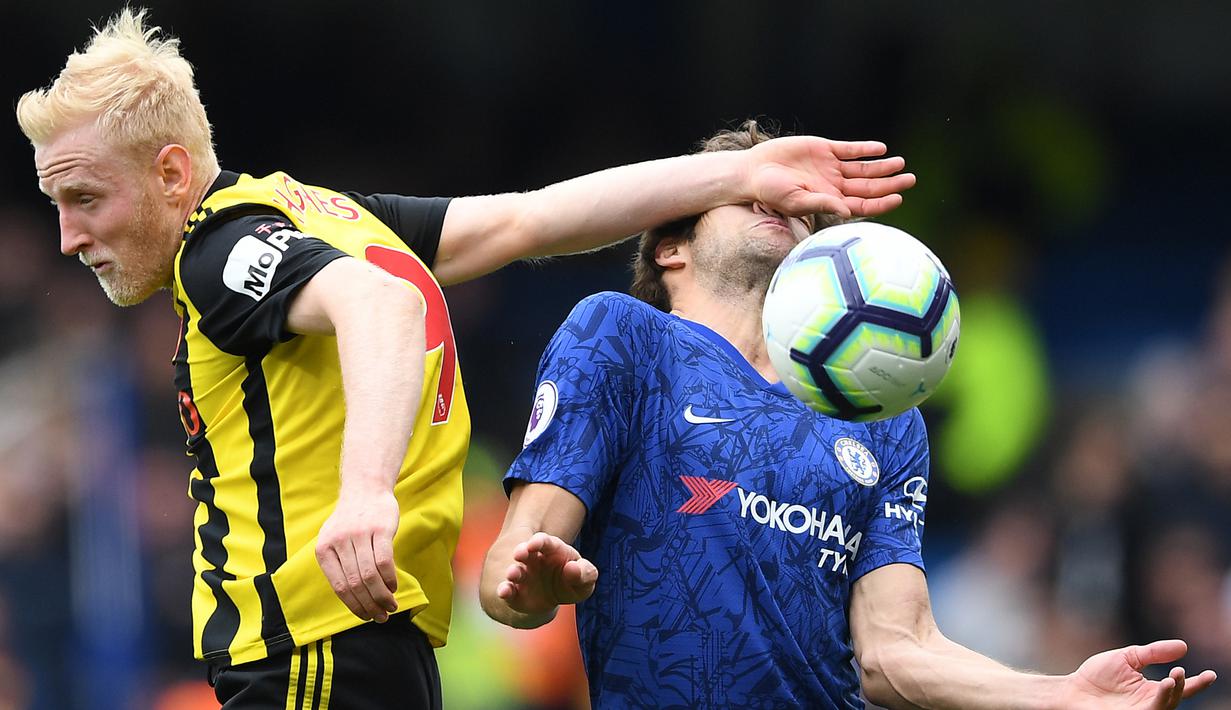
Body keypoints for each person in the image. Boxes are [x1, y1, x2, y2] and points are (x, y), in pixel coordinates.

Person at [15, 8, 917, 709]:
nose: (68, 236)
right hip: (379, 653)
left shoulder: (220, 252)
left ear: (174, 174)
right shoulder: (328, 214)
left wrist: (363, 493)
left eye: (85, 198)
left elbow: (383, 304)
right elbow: (531, 219)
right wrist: (731, 176)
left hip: (302, 655)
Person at [480, 122, 1219, 708]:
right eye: (745, 190)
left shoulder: (880, 414)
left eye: (801, 206)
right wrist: (529, 588)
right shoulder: (624, 338)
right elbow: (515, 560)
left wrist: (1056, 697)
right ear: (670, 247)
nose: (781, 198)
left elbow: (894, 654)